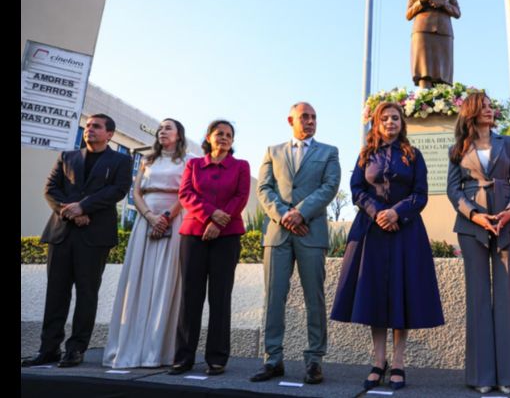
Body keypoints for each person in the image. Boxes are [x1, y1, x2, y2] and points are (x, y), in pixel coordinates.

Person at [331, 102, 444, 391]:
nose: (391, 122)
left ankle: (398, 363)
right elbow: (357, 190)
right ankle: (378, 361)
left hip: (406, 231)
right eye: (385, 118)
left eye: (395, 117)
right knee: (375, 295)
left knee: (401, 294)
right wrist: (378, 212)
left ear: (401, 122)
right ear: (377, 124)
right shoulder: (365, 155)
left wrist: (397, 213)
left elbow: (421, 193)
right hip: (372, 231)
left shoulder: (413, 155)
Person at [21, 114, 132, 368]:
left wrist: (84, 207)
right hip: (62, 234)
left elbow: (117, 190)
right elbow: (50, 189)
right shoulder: (66, 157)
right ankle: (48, 349)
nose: (89, 130)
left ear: (110, 134)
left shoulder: (121, 161)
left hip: (95, 237)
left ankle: (76, 349)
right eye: (88, 126)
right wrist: (70, 212)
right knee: (56, 294)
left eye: (96, 126)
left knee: (86, 294)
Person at [253, 102, 341, 385]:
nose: (310, 121)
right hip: (277, 234)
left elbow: (330, 187)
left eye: (314, 117)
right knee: (274, 298)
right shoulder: (272, 151)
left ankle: (314, 360)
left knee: (313, 298)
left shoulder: (329, 152)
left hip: (311, 233)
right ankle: (272, 360)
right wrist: (283, 215)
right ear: (290, 120)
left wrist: (300, 212)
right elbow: (264, 188)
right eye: (304, 116)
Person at [446, 92, 510, 394]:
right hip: (472, 228)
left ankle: (509, 376)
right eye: (485, 106)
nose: (491, 110)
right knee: (478, 298)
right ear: (472, 112)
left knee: (507, 298)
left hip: (509, 225)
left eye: (492, 106)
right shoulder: (457, 149)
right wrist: (474, 215)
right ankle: (482, 376)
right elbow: (453, 190)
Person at [102, 118, 190, 368]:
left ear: (179, 135)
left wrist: (165, 218)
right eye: (161, 128)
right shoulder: (147, 160)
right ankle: (131, 347)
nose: (163, 131)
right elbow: (137, 192)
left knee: (166, 281)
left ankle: (158, 351)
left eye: (168, 128)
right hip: (146, 219)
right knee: (138, 279)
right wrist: (151, 217)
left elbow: (186, 194)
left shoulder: (188, 161)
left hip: (174, 220)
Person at [168, 120, 251, 376]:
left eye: (228, 135)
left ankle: (217, 358)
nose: (224, 138)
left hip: (227, 236)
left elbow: (241, 196)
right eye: (219, 134)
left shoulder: (241, 166)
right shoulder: (193, 164)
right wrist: (210, 215)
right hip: (194, 235)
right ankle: (183, 357)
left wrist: (220, 220)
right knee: (190, 297)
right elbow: (185, 194)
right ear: (209, 137)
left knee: (220, 297)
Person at [406, 0, 461, 89]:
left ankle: (443, 105)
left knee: (443, 72)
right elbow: (408, 14)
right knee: (425, 71)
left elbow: (457, 12)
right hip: (422, 31)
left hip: (443, 32)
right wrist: (421, 1)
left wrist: (444, 4)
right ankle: (424, 103)